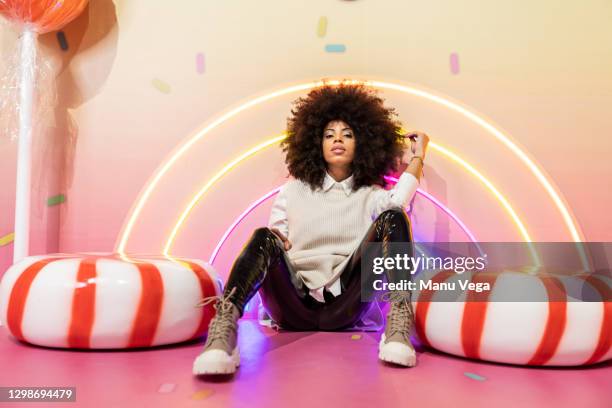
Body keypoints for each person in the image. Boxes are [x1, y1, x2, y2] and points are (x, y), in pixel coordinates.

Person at [193, 81, 429, 375]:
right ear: (316, 142)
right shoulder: (292, 192)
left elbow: (399, 201)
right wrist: (277, 242)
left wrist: (418, 156)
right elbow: (275, 242)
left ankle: (398, 322)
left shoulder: (371, 194)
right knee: (265, 236)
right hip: (293, 301)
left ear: (363, 143)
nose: (337, 140)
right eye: (329, 134)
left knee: (394, 216)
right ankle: (224, 328)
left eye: (348, 134)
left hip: (346, 302)